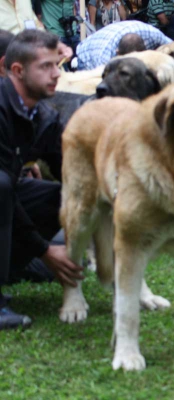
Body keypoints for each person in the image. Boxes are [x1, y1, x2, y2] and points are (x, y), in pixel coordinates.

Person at [0, 29, 85, 330]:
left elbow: (72, 174)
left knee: (64, 195)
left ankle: (11, 269)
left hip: (8, 193)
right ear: (17, 71)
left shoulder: (43, 117)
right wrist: (44, 249)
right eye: (45, 67)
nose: (55, 74)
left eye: (56, 65)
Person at [75, 20, 171, 70]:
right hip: (87, 54)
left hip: (113, 35)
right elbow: (104, 83)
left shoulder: (152, 34)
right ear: (118, 53)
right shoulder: (104, 59)